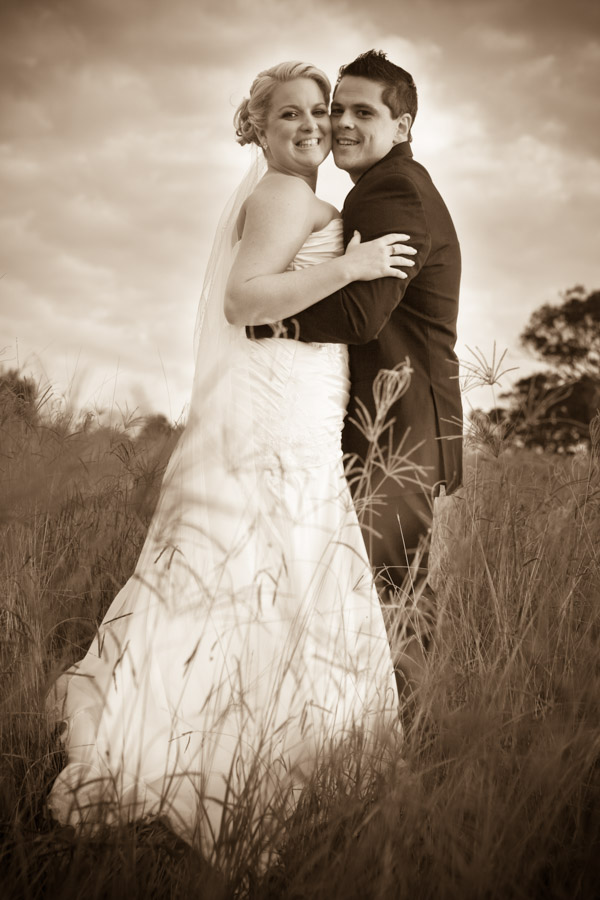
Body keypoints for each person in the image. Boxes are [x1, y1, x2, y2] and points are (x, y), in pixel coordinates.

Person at [46, 62, 415, 869]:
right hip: (279, 412)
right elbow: (245, 301)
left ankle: (239, 743)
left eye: (319, 111)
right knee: (278, 562)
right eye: (291, 114)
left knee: (261, 568)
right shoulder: (285, 196)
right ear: (260, 128)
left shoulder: (295, 195)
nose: (312, 125)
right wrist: (352, 266)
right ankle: (250, 763)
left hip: (292, 398)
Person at [248, 50, 463, 712]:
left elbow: (364, 314)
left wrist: (268, 322)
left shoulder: (391, 190)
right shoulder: (381, 186)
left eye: (361, 112)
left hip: (396, 428)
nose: (340, 122)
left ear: (402, 125)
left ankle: (408, 759)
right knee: (383, 596)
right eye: (336, 108)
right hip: (406, 423)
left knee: (389, 600)